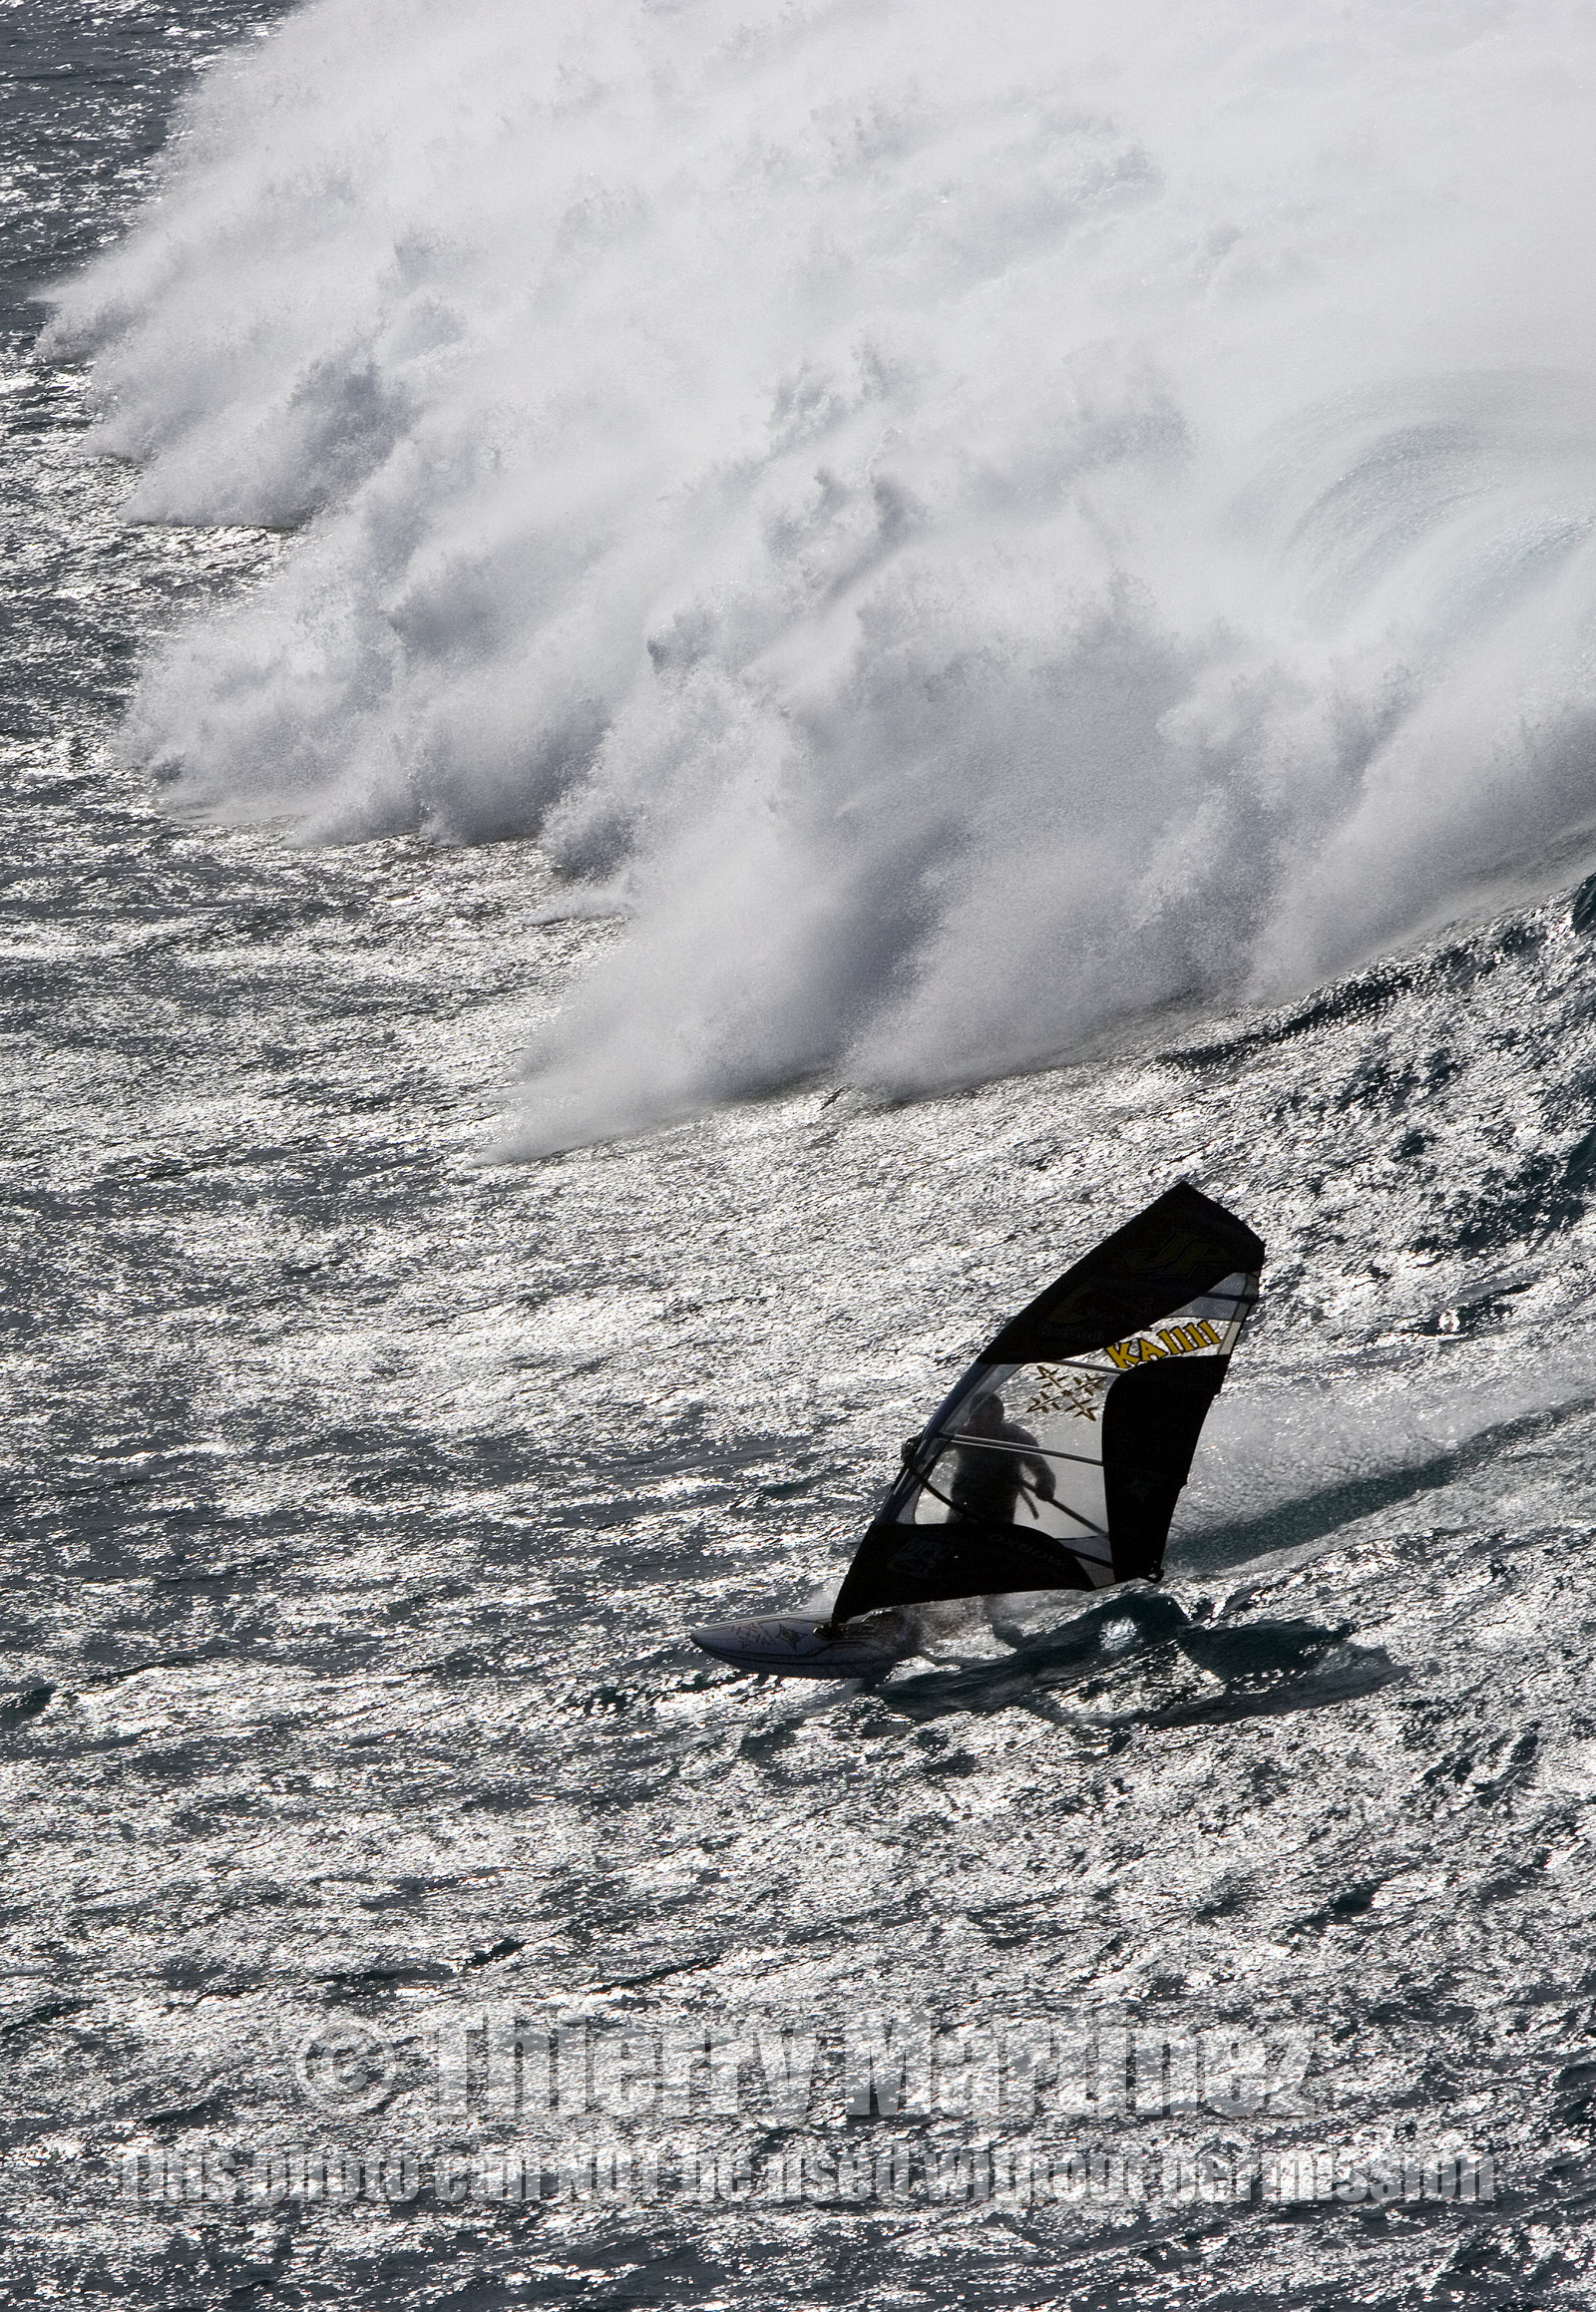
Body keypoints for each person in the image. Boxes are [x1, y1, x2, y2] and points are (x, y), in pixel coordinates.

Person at [946, 1389, 1055, 1527]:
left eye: (991, 1417)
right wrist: (917, 1446)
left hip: (1001, 1507)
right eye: (977, 1417)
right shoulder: (961, 1434)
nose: (983, 1423)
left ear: (1000, 1416)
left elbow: (1044, 1472)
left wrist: (1046, 1486)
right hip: (963, 1504)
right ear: (971, 1417)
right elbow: (930, 1446)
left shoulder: (1017, 1438)